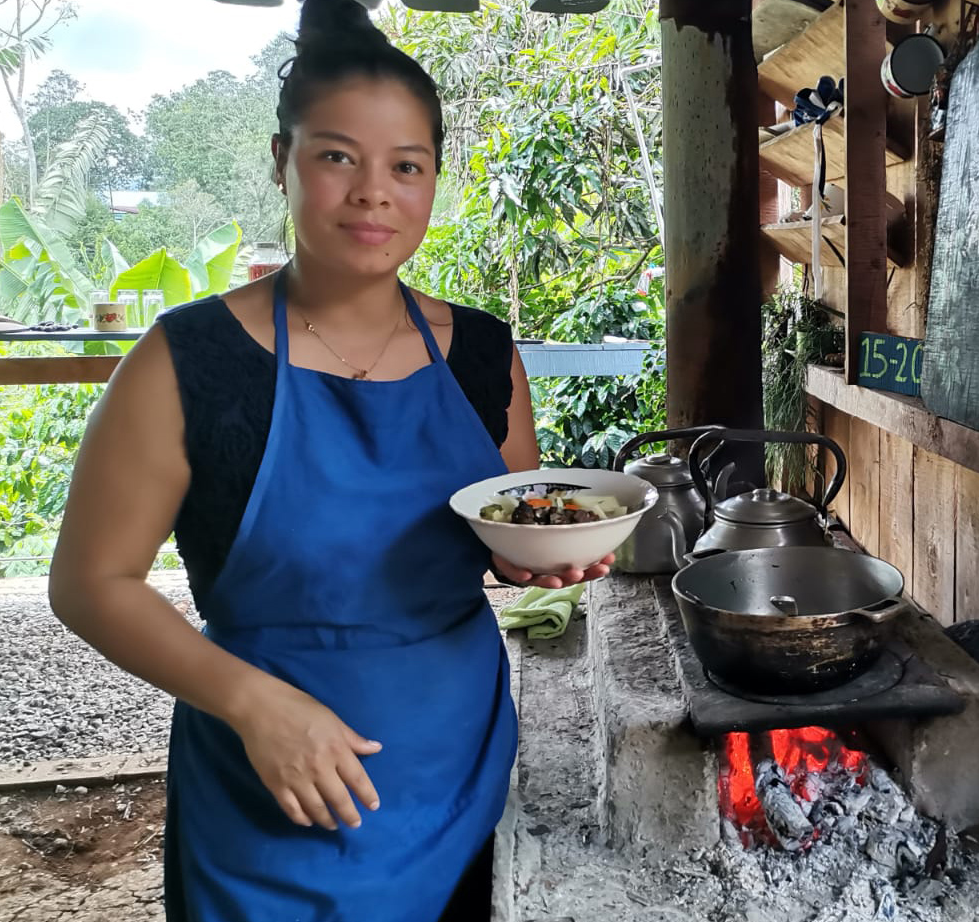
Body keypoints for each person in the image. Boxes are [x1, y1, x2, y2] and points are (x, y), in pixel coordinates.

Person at [47, 1, 611, 918]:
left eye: (407, 166)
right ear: (283, 162)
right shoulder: (189, 361)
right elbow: (90, 582)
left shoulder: (480, 353)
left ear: (433, 181)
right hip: (264, 799)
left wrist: (534, 558)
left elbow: (509, 525)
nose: (373, 193)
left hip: (456, 773)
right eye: (336, 156)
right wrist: (251, 704)